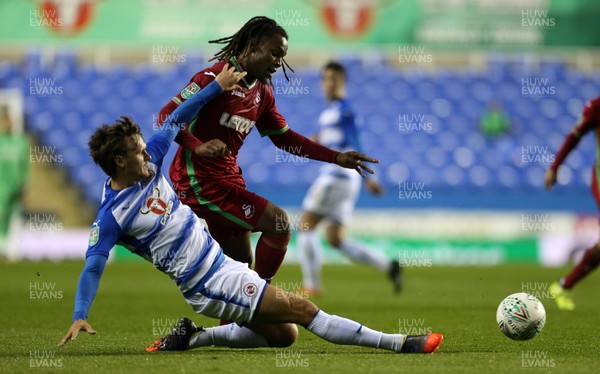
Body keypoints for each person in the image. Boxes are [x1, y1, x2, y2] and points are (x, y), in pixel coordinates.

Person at [57, 65, 443, 354]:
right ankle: (400, 343)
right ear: (120, 163)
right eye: (139, 152)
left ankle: (193, 337)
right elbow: (93, 264)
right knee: (302, 307)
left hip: (220, 266)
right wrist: (79, 312)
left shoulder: (151, 162)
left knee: (284, 335)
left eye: (144, 147)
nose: (148, 153)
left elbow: (173, 119)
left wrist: (214, 88)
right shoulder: (111, 216)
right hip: (206, 281)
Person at [156, 16, 379, 283]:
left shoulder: (262, 93)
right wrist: (198, 145)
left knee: (238, 265)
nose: (278, 62)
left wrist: (336, 156)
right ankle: (260, 298)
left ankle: (231, 323)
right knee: (280, 224)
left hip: (227, 180)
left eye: (282, 57)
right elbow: (166, 116)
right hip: (197, 180)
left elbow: (285, 138)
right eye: (274, 53)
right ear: (252, 46)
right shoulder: (214, 77)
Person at [297, 62, 401, 295]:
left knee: (306, 225)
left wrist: (370, 178)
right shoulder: (329, 113)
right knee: (336, 239)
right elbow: (334, 139)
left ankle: (312, 286)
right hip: (345, 181)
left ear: (342, 82)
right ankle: (388, 266)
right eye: (325, 79)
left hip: (336, 176)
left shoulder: (346, 110)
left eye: (333, 78)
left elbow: (356, 142)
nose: (328, 83)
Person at [545, 96, 600, 311]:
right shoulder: (596, 107)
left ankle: (564, 286)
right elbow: (573, 137)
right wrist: (555, 166)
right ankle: (564, 286)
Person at [0, 104, 28, 258]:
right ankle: (2, 248)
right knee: (1, 214)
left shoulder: (21, 142)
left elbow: (25, 166)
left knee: (13, 217)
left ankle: (10, 249)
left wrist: (25, 184)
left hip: (16, 186)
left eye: (9, 120)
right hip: (1, 186)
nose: (7, 124)